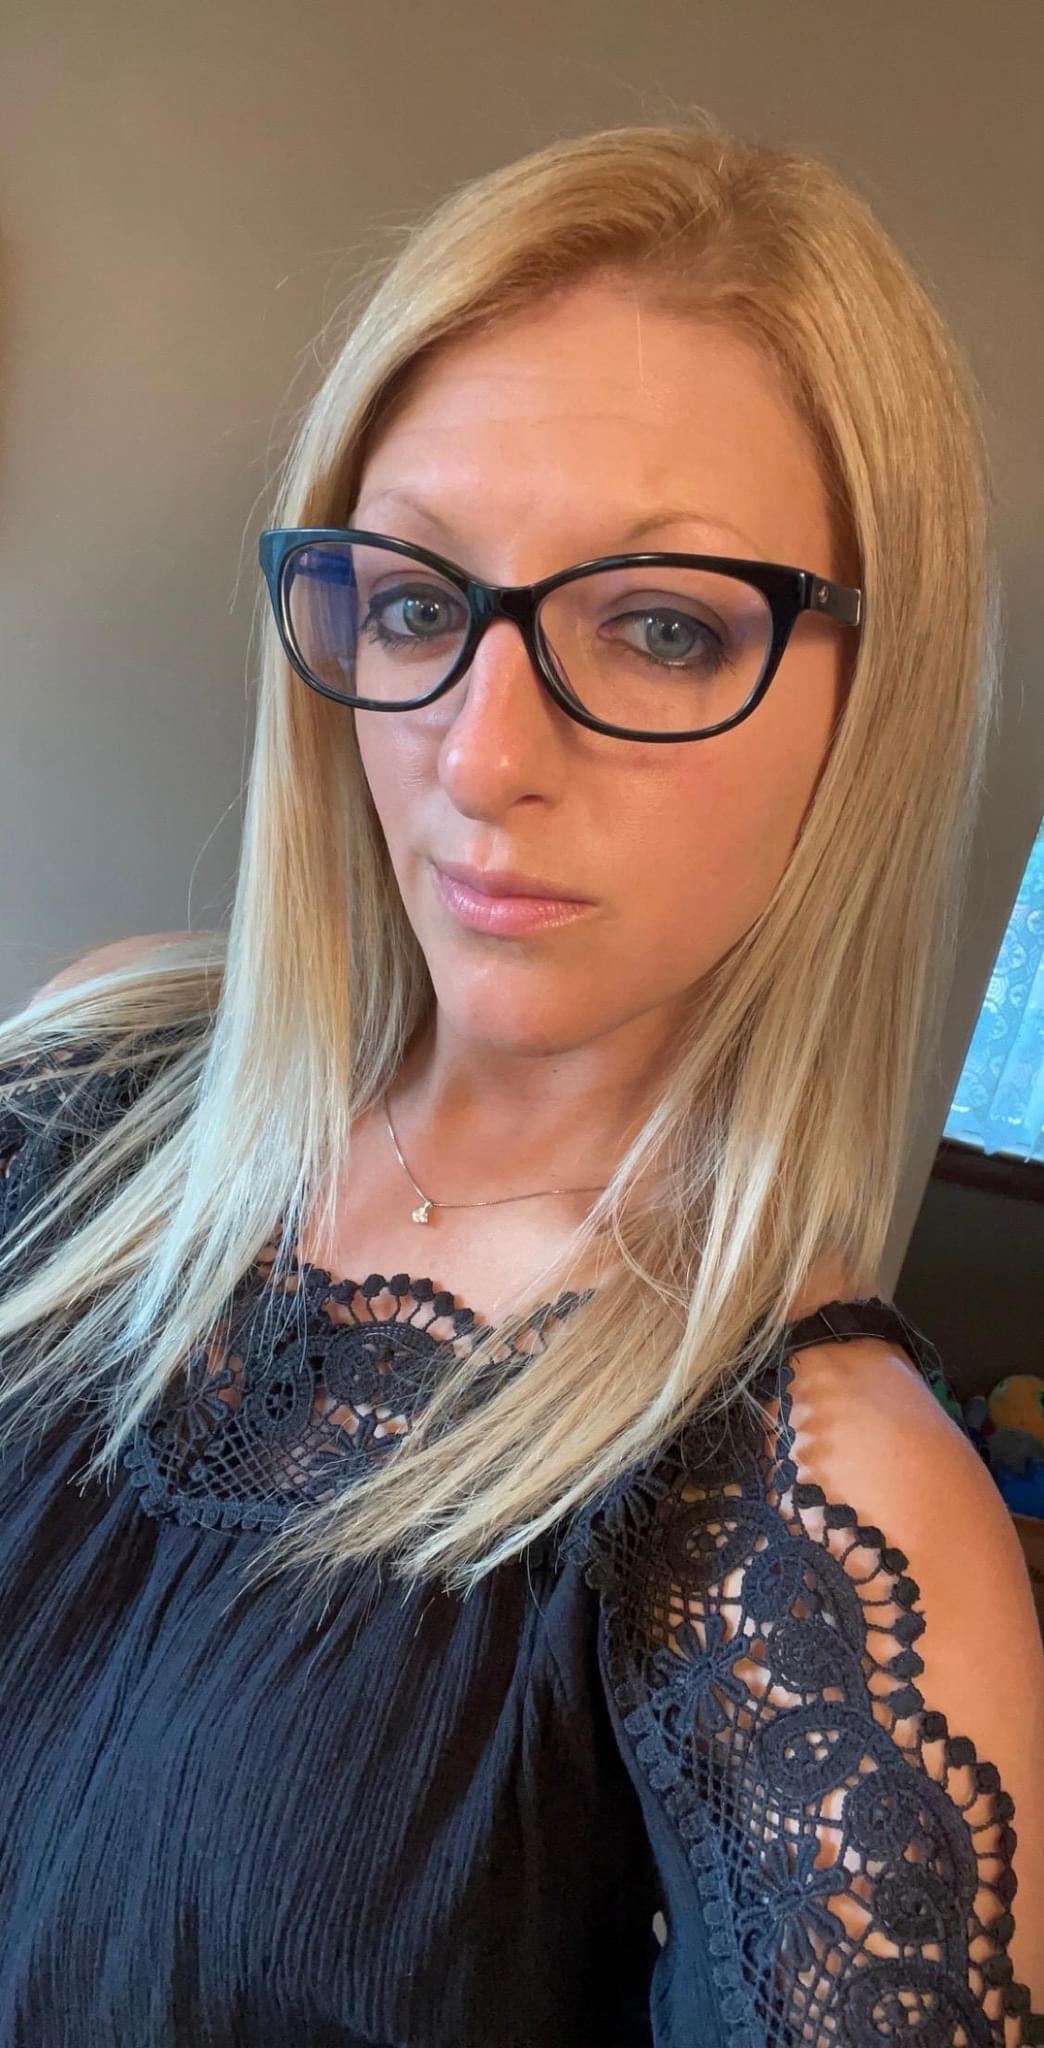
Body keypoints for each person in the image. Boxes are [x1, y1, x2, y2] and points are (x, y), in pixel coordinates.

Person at [0, 114, 1041, 2047]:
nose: (481, 758)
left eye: (660, 629)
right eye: (415, 601)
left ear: (868, 706)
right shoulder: (86, 1074)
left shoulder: (820, 1517)